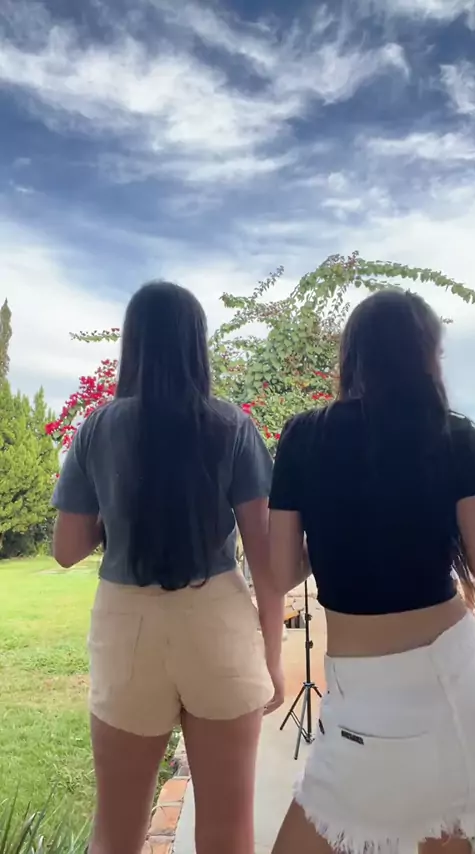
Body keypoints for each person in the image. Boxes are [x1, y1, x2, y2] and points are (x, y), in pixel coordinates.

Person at [51, 281, 285, 854]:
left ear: (132, 344)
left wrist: (117, 512)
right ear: (196, 345)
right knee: (228, 832)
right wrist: (273, 660)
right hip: (218, 624)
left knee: (117, 832)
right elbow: (265, 559)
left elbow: (66, 548)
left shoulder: (97, 428)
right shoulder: (232, 426)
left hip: (126, 627)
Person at [268, 290, 475, 854]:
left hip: (362, 691)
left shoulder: (304, 435)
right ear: (425, 355)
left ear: (353, 356)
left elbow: (280, 572)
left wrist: (331, 539)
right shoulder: (455, 435)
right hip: (451, 673)